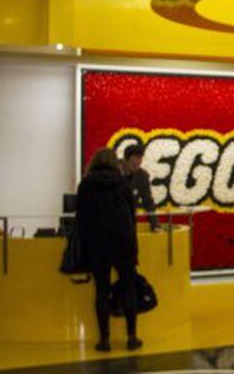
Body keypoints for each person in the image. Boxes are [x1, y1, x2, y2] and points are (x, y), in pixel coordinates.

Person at [76, 148, 142, 352]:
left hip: (98, 244)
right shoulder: (122, 183)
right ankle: (132, 337)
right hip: (123, 242)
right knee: (128, 288)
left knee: (102, 292)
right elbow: (131, 214)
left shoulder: (86, 185)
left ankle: (104, 340)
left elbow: (81, 218)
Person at [121, 144, 159, 231]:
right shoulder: (114, 172)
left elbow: (148, 201)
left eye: (140, 159)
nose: (138, 163)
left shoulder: (142, 176)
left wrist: (155, 224)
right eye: (134, 163)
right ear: (126, 160)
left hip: (129, 222)